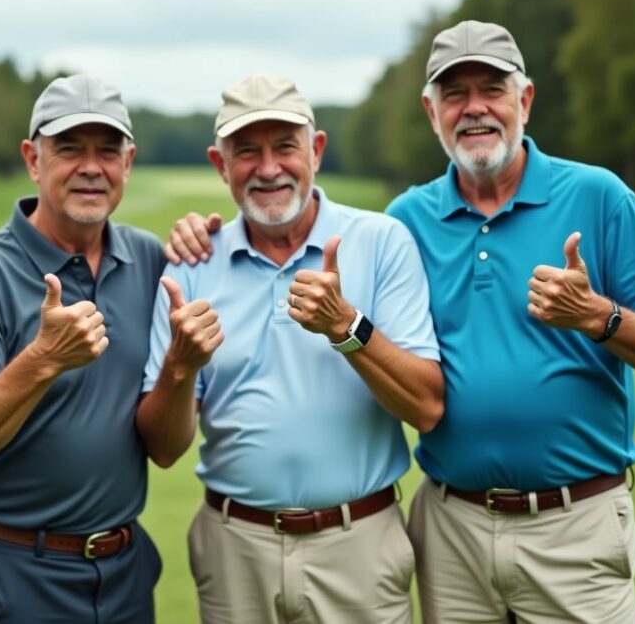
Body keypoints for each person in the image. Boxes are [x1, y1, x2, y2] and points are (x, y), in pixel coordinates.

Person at [166, 22, 635, 624]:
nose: (474, 108)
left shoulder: (599, 196)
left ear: (524, 100)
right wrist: (202, 231)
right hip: (450, 528)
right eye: (454, 94)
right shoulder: (408, 220)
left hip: (574, 521)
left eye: (492, 89)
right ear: (432, 112)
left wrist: (597, 316)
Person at [139, 74, 445, 624]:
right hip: (235, 550)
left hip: (360, 545)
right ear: (220, 165)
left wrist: (347, 327)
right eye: (247, 152)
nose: (268, 168)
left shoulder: (380, 242)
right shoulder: (192, 263)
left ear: (316, 150)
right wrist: (179, 369)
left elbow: (425, 406)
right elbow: (163, 449)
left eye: (285, 146)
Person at [0, 74, 166, 623]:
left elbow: (164, 440)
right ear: (32, 159)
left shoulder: (150, 259)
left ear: (128, 162)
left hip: (124, 573)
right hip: (11, 572)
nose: (92, 166)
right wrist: (45, 358)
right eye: (68, 148)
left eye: (107, 151)